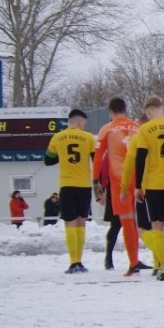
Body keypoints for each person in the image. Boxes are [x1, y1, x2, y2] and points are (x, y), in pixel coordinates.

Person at [124, 96, 164, 280]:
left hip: (154, 184)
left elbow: (140, 158)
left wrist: (138, 186)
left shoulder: (144, 129)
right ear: (163, 108)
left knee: (157, 227)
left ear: (149, 111)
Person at [92, 98, 148, 275]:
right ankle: (154, 260)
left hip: (119, 180)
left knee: (127, 221)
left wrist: (96, 181)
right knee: (146, 220)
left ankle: (133, 262)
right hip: (141, 179)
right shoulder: (138, 127)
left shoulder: (106, 129)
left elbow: (98, 157)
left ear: (111, 112)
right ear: (126, 109)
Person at [44, 109, 95, 271]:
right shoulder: (88, 137)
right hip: (84, 185)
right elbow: (96, 159)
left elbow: (48, 160)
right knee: (81, 223)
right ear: (80, 122)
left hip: (67, 185)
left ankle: (73, 262)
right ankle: (80, 261)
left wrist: (62, 157)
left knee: (70, 224)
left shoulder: (57, 137)